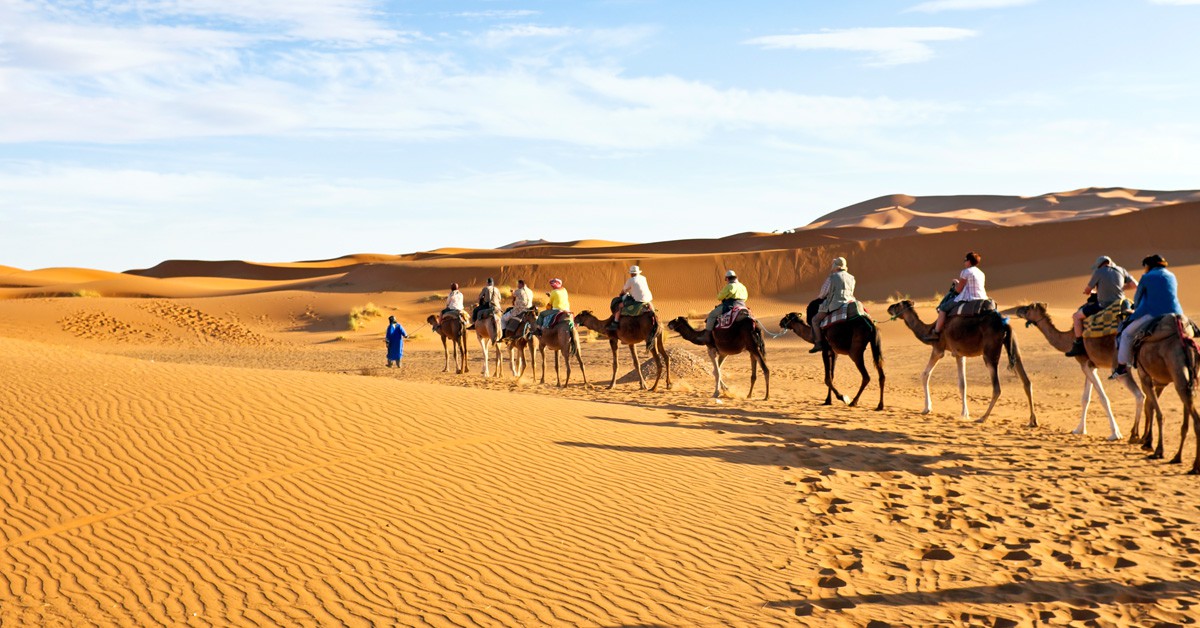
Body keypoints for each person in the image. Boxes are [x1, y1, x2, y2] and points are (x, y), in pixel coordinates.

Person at [1111, 254, 1183, 378]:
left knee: (1126, 334)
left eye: (1145, 266)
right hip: (1176, 313)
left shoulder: (1146, 277)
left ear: (1149, 266)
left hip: (1153, 313)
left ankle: (1122, 366)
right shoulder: (1172, 275)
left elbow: (1138, 298)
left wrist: (1134, 309)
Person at [1065, 256, 1138, 356]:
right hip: (1121, 303)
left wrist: (1088, 291)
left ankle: (1079, 344)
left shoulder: (1098, 272)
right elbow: (1135, 285)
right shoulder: (1121, 270)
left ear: (1099, 265)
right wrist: (1120, 288)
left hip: (1103, 305)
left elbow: (1087, 289)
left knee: (1076, 316)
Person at [926, 252, 987, 341]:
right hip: (982, 298)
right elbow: (970, 285)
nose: (964, 262)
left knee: (943, 308)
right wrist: (959, 283)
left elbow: (958, 290)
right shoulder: (981, 273)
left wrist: (956, 285)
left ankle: (936, 332)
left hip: (968, 298)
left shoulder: (965, 272)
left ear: (969, 261)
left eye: (965, 260)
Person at [810, 257, 856, 353]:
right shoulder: (851, 278)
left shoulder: (832, 278)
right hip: (849, 303)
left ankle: (818, 343)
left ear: (835, 266)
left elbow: (823, 294)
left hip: (834, 304)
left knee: (815, 320)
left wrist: (821, 298)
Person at [705, 270, 748, 339]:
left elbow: (719, 297)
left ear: (727, 278)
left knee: (711, 315)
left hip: (730, 305)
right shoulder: (742, 286)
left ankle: (707, 336)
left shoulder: (729, 286)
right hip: (742, 306)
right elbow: (746, 297)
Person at [611, 265, 653, 329]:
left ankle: (615, 323)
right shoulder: (643, 278)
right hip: (648, 299)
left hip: (638, 300)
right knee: (651, 307)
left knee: (620, 306)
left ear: (632, 273)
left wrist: (621, 293)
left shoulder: (630, 280)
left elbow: (624, 290)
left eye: (631, 273)